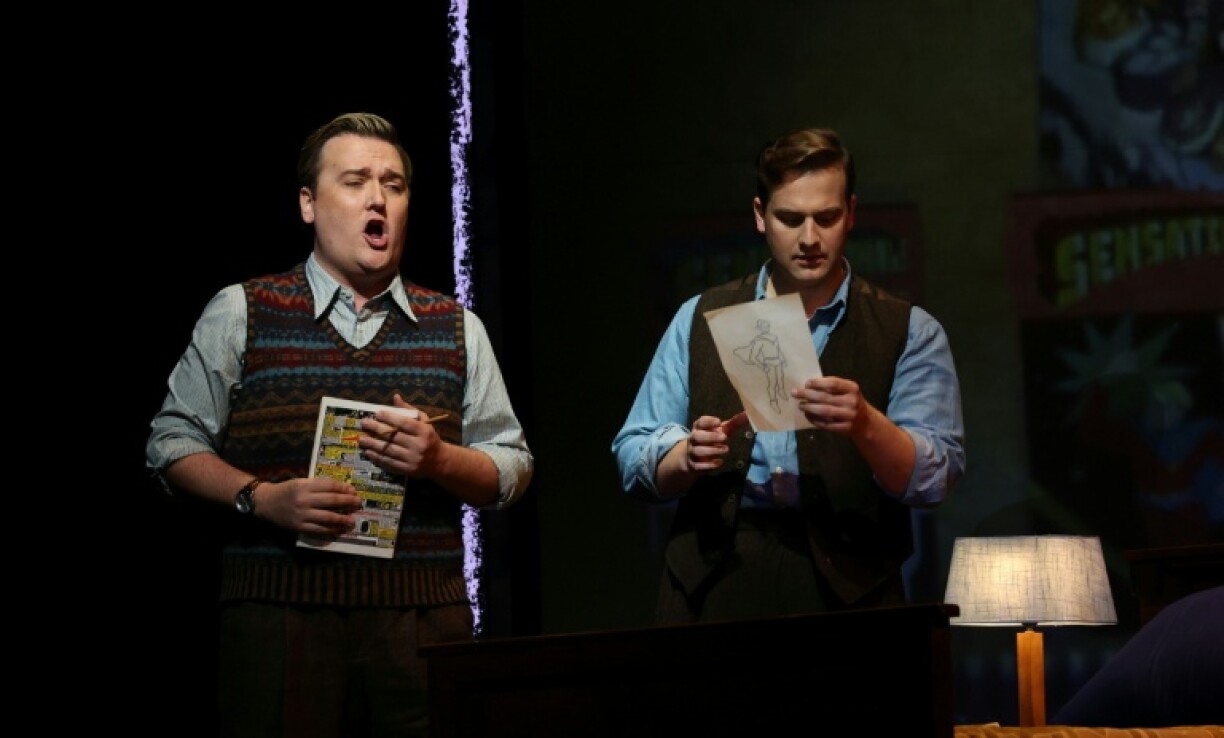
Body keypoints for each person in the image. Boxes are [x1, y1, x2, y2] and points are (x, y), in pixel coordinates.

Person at [146, 111, 533, 737]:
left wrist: (439, 461)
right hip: (278, 614)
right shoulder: (244, 311)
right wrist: (263, 498)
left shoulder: (457, 328)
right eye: (354, 181)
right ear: (308, 203)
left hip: (422, 624)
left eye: (394, 185)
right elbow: (170, 443)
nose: (377, 199)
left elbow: (512, 466)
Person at [611, 127, 964, 624]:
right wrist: (686, 456)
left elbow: (934, 478)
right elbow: (632, 454)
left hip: (850, 584)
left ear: (852, 213)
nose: (810, 239)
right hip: (716, 579)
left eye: (827, 217)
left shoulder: (908, 330)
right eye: (790, 219)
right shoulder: (701, 316)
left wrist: (866, 424)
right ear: (760, 215)